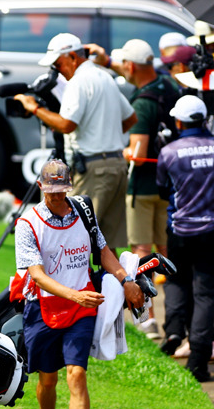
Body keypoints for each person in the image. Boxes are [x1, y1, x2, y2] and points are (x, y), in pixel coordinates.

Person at [13, 158, 144, 409]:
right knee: (47, 379)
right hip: (42, 307)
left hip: (82, 308)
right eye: (51, 190)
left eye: (62, 190)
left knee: (76, 374)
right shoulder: (27, 224)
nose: (57, 196)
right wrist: (74, 295)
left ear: (69, 186)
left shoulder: (83, 211)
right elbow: (38, 275)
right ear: (41, 187)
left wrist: (127, 281)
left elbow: (103, 251)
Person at [17, 33, 137, 249]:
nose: (58, 71)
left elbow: (66, 125)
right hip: (117, 165)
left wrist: (34, 107)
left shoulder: (79, 81)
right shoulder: (104, 77)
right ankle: (116, 283)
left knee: (77, 240)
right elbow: (130, 119)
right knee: (107, 247)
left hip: (94, 170)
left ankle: (86, 285)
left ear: (72, 57)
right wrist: (104, 133)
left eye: (59, 64)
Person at [156, 96, 214, 382]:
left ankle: (174, 331)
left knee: (177, 281)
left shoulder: (169, 152)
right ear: (204, 120)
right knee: (206, 295)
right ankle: (198, 364)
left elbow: (163, 191)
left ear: (179, 122)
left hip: (180, 231)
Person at [119, 37, 179, 342]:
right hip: (169, 185)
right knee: (166, 252)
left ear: (131, 65)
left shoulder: (141, 102)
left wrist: (120, 151)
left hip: (142, 187)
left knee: (144, 252)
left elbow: (138, 152)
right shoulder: (171, 88)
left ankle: (149, 318)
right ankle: (176, 319)